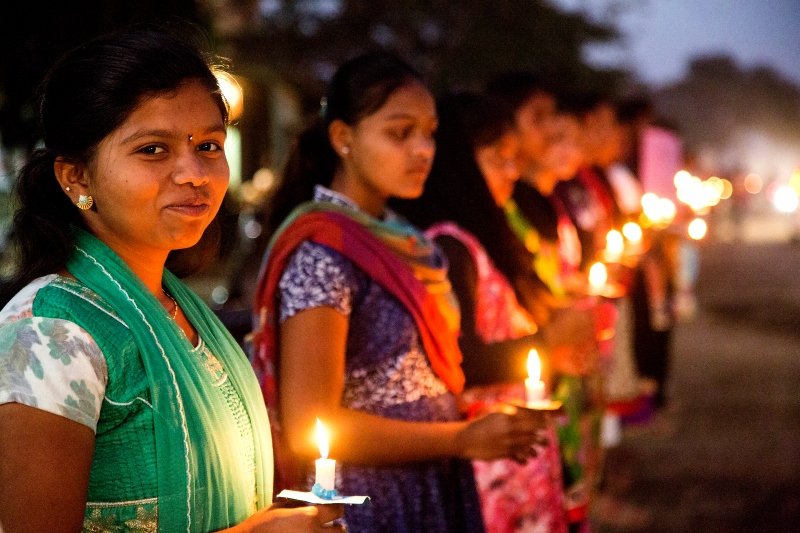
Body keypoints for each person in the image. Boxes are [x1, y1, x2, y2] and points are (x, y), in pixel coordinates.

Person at [0, 24, 343, 532]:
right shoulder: (52, 335)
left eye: (208, 145)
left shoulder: (179, 310)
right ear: (77, 177)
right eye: (153, 150)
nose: (194, 173)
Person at [250, 51, 547, 533]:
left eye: (430, 133)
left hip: (435, 482)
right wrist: (460, 438)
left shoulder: (410, 240)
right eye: (400, 132)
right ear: (343, 138)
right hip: (367, 500)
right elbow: (310, 422)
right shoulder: (325, 252)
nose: (423, 150)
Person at [393, 90, 569, 533]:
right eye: (498, 159)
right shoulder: (448, 246)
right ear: (461, 166)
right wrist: (549, 342)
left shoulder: (482, 235)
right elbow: (462, 359)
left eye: (514, 159)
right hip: (487, 459)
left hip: (509, 453)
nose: (513, 171)